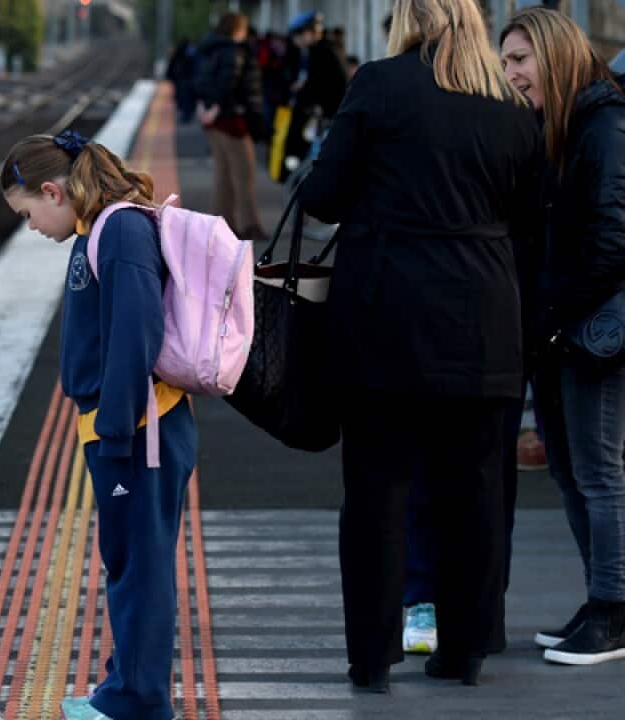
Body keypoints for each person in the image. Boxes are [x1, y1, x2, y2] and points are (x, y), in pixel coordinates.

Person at [298, 0, 541, 691]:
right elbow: (530, 214)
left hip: (385, 320)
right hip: (484, 321)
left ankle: (372, 658)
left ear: (406, 17)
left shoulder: (379, 83)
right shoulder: (507, 102)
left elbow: (323, 195)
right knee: (475, 492)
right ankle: (463, 652)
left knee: (377, 493)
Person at [1, 131, 196, 720]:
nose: (30, 225)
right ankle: (126, 688)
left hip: (136, 435)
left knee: (140, 567)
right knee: (133, 563)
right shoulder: (100, 232)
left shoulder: (119, 233)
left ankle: (137, 702)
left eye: (27, 212)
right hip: (127, 430)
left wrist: (114, 434)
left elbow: (134, 337)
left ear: (54, 191)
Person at [501, 7, 625, 667]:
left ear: (553, 55)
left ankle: (615, 609)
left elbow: (610, 241)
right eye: (507, 62)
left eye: (520, 60)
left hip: (592, 329)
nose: (512, 74)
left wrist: (553, 312)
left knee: (599, 473)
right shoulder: (561, 126)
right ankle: (602, 599)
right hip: (563, 327)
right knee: (573, 471)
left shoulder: (602, 127)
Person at [195, 12, 266, 241]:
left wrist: (205, 107)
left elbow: (201, 81)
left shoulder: (209, 50)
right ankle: (250, 225)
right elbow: (229, 82)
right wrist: (216, 106)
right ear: (237, 29)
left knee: (224, 175)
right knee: (244, 174)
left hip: (214, 120)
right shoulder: (234, 51)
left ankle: (222, 224)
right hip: (232, 119)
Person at [281, 11, 347, 179]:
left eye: (297, 37)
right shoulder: (317, 50)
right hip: (320, 115)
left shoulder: (324, 52)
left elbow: (333, 85)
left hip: (324, 116)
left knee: (318, 161)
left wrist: (315, 103)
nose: (296, 43)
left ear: (307, 33)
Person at [165, 38, 200, 124]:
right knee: (188, 97)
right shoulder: (193, 52)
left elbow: (172, 64)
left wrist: (169, 75)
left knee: (183, 97)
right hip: (188, 78)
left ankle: (186, 114)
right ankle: (187, 114)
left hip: (181, 78)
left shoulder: (179, 52)